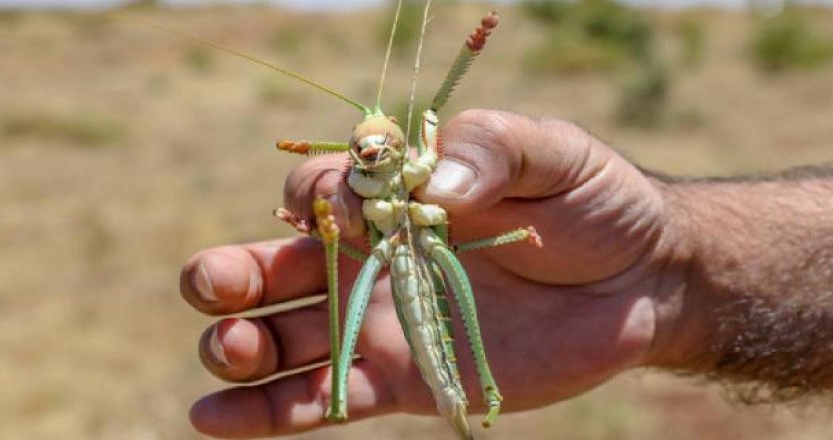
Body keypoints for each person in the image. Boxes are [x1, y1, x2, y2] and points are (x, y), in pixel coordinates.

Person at [179, 109, 833, 438]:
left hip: (432, 255)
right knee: (349, 247)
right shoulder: (364, 176)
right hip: (382, 253)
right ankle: (370, 389)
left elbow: (431, 148)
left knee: (447, 263)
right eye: (362, 151)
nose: (375, 151)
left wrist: (666, 272)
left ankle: (479, 390)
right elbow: (358, 189)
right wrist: (326, 212)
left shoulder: (416, 166)